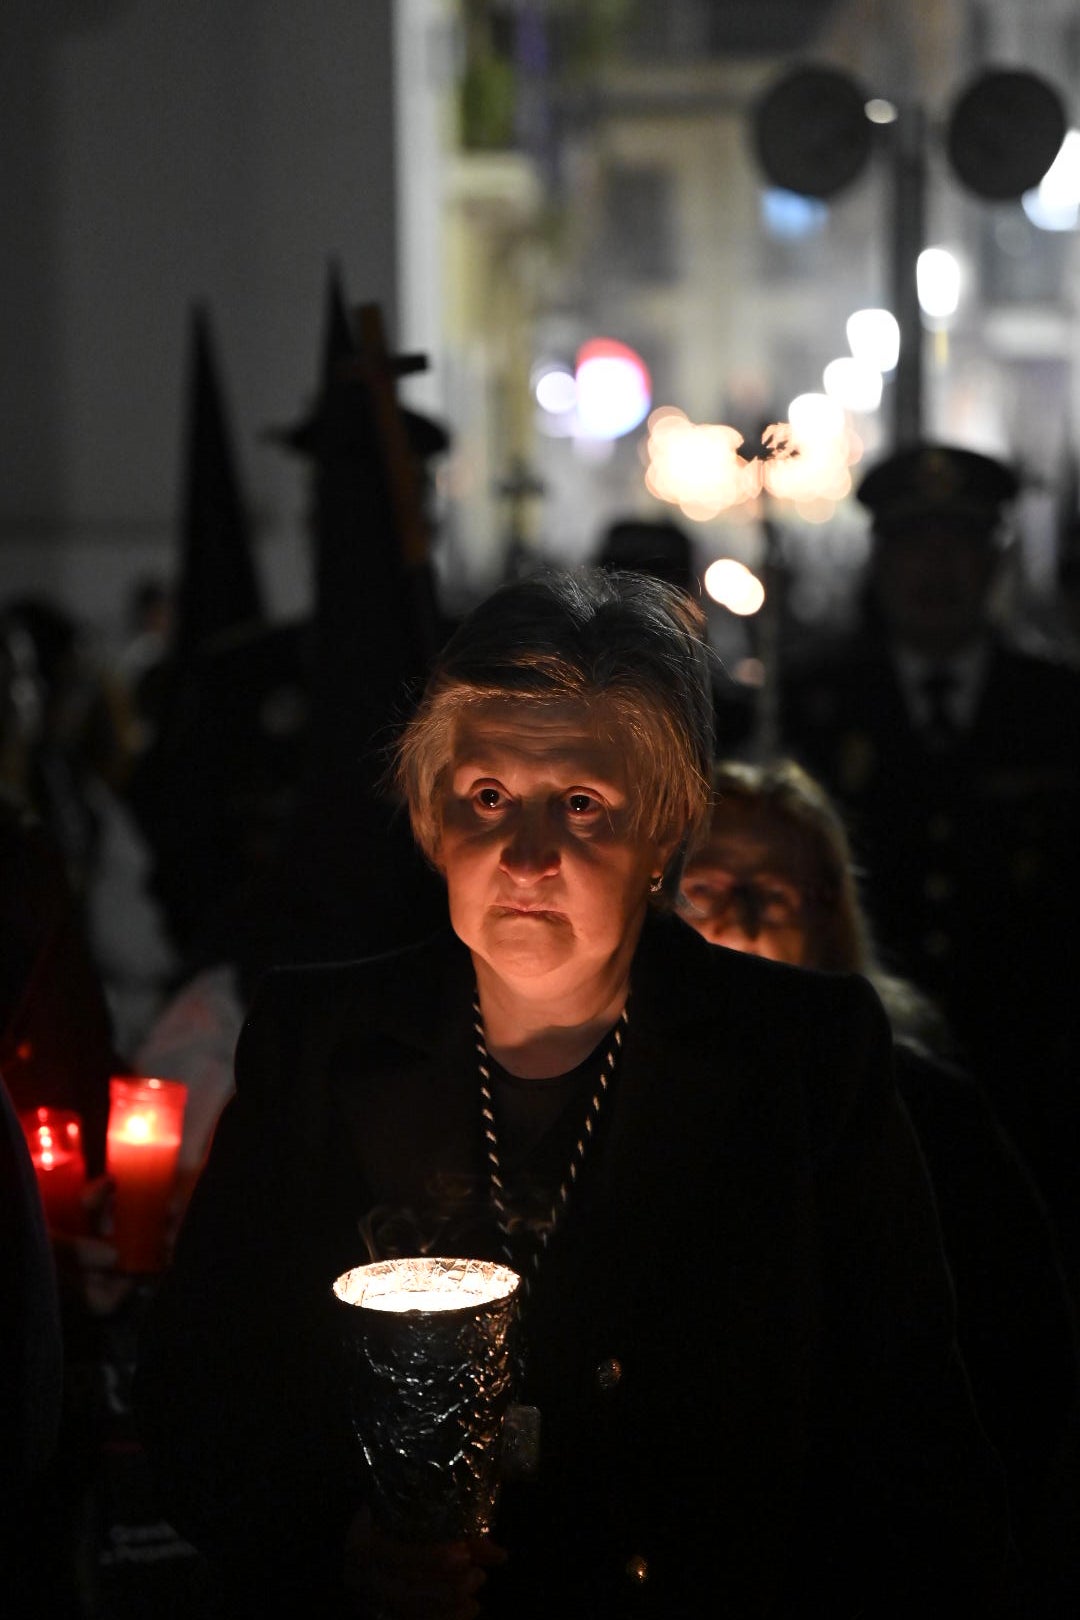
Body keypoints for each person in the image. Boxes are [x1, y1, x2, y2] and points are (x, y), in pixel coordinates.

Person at [136, 567, 1010, 1618]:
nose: (528, 854)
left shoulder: (801, 1058)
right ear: (431, 816)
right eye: (489, 798)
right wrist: (341, 1541)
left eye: (584, 806)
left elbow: (907, 1432)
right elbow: (207, 1393)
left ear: (662, 835)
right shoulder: (322, 1046)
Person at [679, 757, 1080, 1609]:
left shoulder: (921, 1107)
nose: (740, 918)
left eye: (774, 893)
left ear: (826, 912)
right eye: (705, 889)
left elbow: (1018, 1351)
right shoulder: (627, 1093)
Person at [777, 443, 1080, 1278]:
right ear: (880, 561)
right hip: (866, 1057)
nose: (936, 571)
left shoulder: (1056, 708)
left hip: (1032, 1067)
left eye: (959, 546)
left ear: (994, 559)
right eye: (914, 546)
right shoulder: (819, 708)